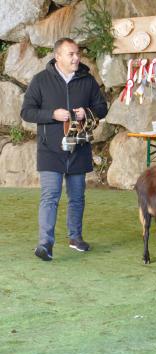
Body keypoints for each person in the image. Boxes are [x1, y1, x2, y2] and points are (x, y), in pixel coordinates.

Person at [21, 37, 108, 261]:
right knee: (50, 196)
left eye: (77, 53)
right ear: (57, 56)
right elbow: (27, 112)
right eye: (71, 54)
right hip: (50, 150)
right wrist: (52, 114)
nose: (76, 58)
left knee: (77, 197)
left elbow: (102, 108)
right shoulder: (40, 80)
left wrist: (86, 112)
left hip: (79, 148)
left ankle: (75, 238)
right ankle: (45, 244)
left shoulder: (87, 80)